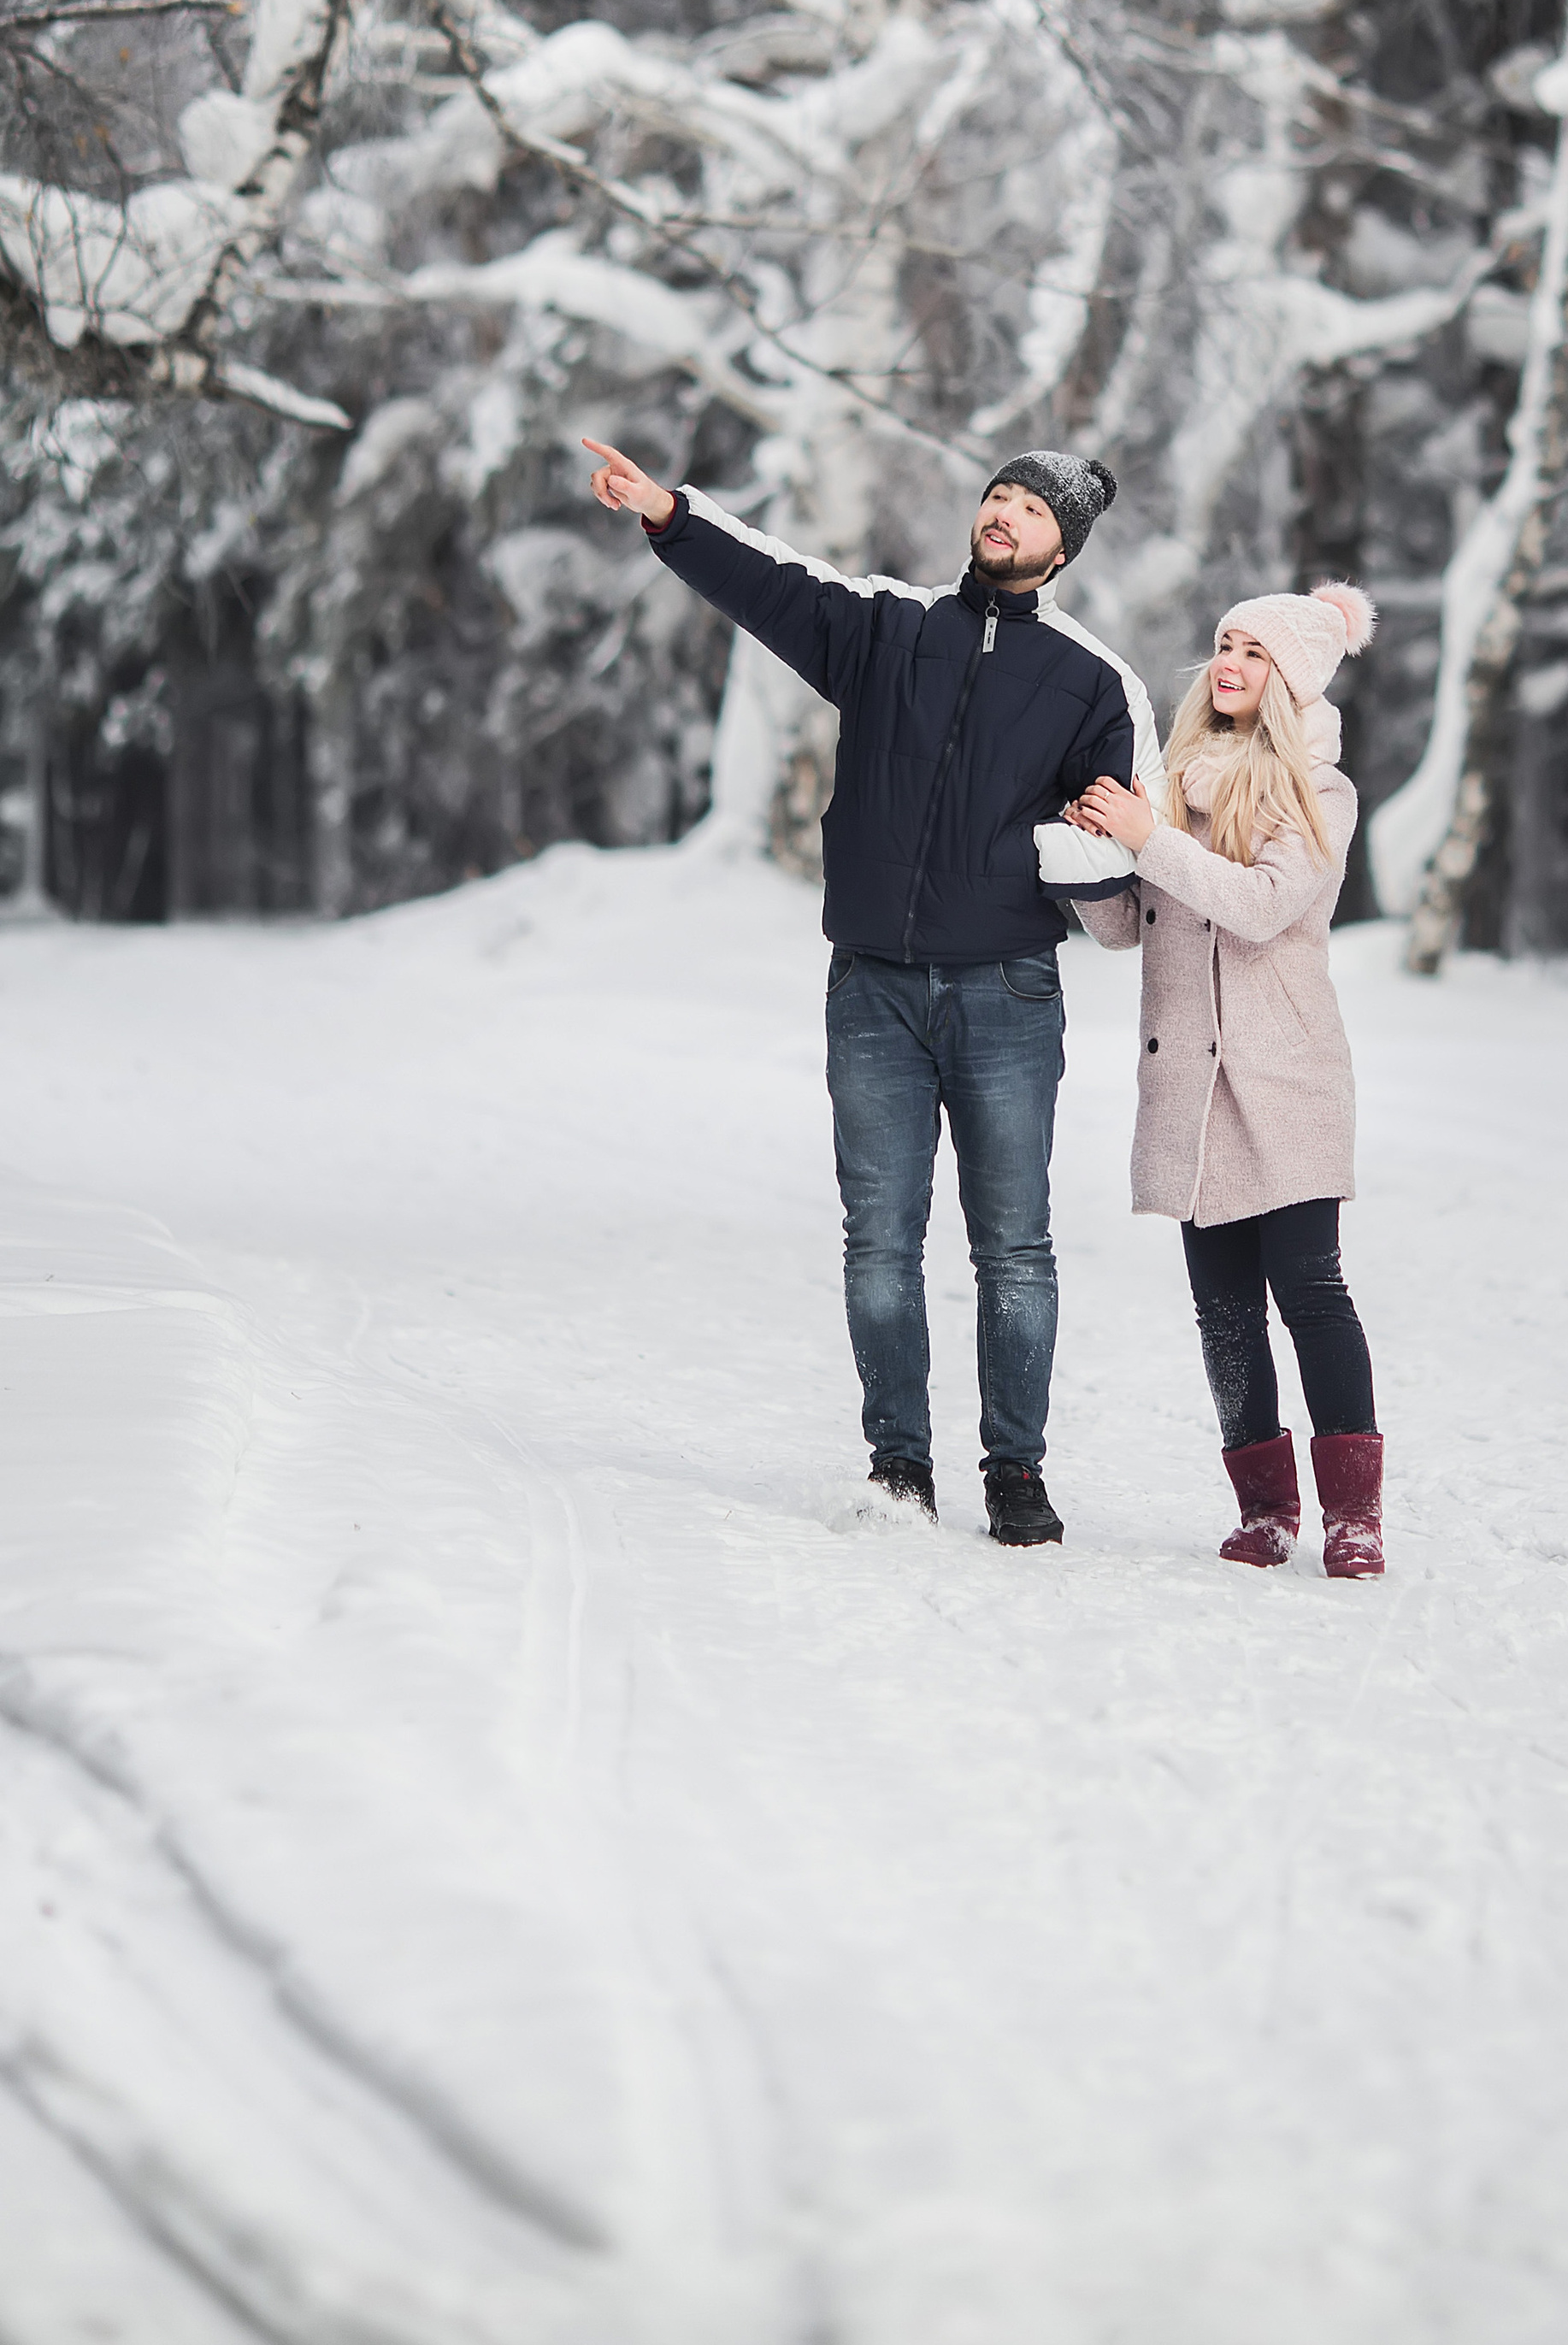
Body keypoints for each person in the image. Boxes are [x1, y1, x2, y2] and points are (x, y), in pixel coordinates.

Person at [584, 437, 1156, 1546]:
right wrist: (668, 514)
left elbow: (1116, 847)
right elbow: (771, 583)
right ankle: (898, 1467)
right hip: (875, 995)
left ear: (1062, 549)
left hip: (1005, 996)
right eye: (996, 496)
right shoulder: (889, 628)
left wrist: (1051, 850)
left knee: (1015, 1247)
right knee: (880, 1242)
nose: (1004, 515)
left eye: (1030, 510)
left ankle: (1016, 1474)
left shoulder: (1094, 683)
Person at [1063, 583, 1384, 1578]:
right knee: (1223, 1309)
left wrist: (1150, 836)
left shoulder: (1316, 792)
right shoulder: (1170, 783)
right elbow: (1130, 929)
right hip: (1190, 1081)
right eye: (1222, 643)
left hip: (1284, 1076)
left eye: (1253, 649)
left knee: (1311, 1292)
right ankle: (1264, 1511)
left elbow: (1260, 906)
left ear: (1288, 679)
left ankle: (1352, 1519)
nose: (1228, 661)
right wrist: (1092, 855)